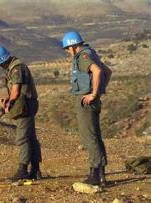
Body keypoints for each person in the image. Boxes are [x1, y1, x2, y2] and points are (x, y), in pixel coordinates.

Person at [62, 31, 112, 186]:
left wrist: (93, 93)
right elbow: (108, 71)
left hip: (86, 101)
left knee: (89, 137)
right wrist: (98, 92)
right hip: (92, 100)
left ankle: (95, 174)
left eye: (67, 48)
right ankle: (100, 176)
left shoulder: (83, 56)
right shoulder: (91, 53)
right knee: (95, 137)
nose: (67, 51)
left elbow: (97, 71)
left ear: (73, 45)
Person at [0, 45, 42, 181]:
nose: (0, 67)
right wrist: (8, 99)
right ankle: (35, 170)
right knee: (30, 137)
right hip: (26, 104)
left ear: (3, 60)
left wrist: (9, 104)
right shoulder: (13, 67)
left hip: (26, 106)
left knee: (22, 138)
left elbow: (17, 90)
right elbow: (15, 91)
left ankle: (23, 171)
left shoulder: (17, 69)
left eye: (0, 64)